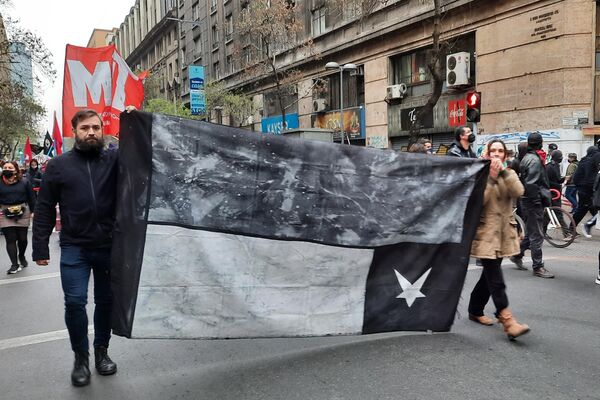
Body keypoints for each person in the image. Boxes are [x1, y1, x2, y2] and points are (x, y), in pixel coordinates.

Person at [32, 109, 118, 387]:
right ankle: (80, 358)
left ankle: (101, 352)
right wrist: (40, 248)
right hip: (74, 247)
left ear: (103, 130)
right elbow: (44, 207)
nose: (91, 132)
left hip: (109, 245)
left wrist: (132, 119)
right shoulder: (58, 166)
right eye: (85, 128)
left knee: (106, 302)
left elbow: (145, 153)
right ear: (74, 132)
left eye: (96, 127)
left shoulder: (115, 160)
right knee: (75, 302)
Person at [468, 139, 530, 340]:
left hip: (504, 233)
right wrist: (491, 178)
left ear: (505, 155)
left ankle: (475, 309)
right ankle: (507, 319)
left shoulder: (509, 173)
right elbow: (477, 203)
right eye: (492, 150)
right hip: (485, 234)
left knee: (489, 276)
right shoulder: (479, 174)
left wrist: (502, 173)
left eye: (500, 151)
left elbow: (519, 192)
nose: (496, 154)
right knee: (495, 277)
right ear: (486, 154)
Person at [509, 132, 555, 278]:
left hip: (527, 201)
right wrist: (536, 202)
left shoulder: (526, 158)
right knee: (537, 235)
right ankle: (538, 266)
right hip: (533, 202)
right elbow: (531, 184)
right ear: (540, 143)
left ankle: (517, 255)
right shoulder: (534, 160)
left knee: (531, 232)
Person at [0, 161, 35, 274]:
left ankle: (22, 255)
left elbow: (31, 197)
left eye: (10, 167)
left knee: (22, 239)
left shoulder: (24, 182)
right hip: (5, 212)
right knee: (10, 239)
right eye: (5, 167)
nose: (7, 169)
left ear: (15, 170)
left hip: (23, 211)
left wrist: (33, 211)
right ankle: (14, 265)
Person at [572, 146, 599, 237]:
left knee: (594, 210)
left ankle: (573, 228)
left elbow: (576, 177)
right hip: (586, 190)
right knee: (582, 210)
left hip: (585, 190)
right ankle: (571, 229)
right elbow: (590, 178)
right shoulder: (589, 162)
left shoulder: (584, 161)